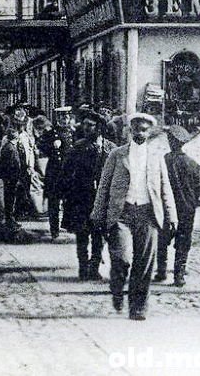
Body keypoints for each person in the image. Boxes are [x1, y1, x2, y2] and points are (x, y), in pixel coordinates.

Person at [91, 112, 177, 320]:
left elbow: (165, 187)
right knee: (121, 258)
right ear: (130, 130)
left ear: (150, 132)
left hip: (148, 214)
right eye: (137, 128)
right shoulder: (117, 155)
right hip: (122, 214)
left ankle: (138, 307)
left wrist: (171, 215)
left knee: (144, 263)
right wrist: (97, 212)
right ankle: (117, 287)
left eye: (145, 129)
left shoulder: (157, 157)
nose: (140, 132)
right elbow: (104, 185)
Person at [62, 110, 116, 280]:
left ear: (99, 128)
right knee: (82, 234)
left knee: (99, 235)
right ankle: (83, 268)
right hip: (81, 198)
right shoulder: (77, 148)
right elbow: (66, 173)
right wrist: (67, 196)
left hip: (102, 199)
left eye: (90, 125)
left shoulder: (111, 149)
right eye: (84, 125)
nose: (86, 128)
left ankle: (94, 267)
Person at [155, 125, 200, 287]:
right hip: (187, 209)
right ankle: (179, 275)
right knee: (184, 241)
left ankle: (161, 271)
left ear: (171, 141)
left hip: (167, 208)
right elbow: (197, 190)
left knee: (162, 240)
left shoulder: (164, 161)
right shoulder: (192, 163)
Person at [34, 114, 67, 239]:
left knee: (69, 200)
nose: (66, 120)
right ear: (59, 119)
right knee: (54, 201)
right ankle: (54, 229)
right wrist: (51, 146)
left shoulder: (72, 132)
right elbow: (41, 145)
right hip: (54, 172)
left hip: (68, 172)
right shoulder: (51, 133)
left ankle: (67, 225)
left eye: (68, 118)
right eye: (63, 118)